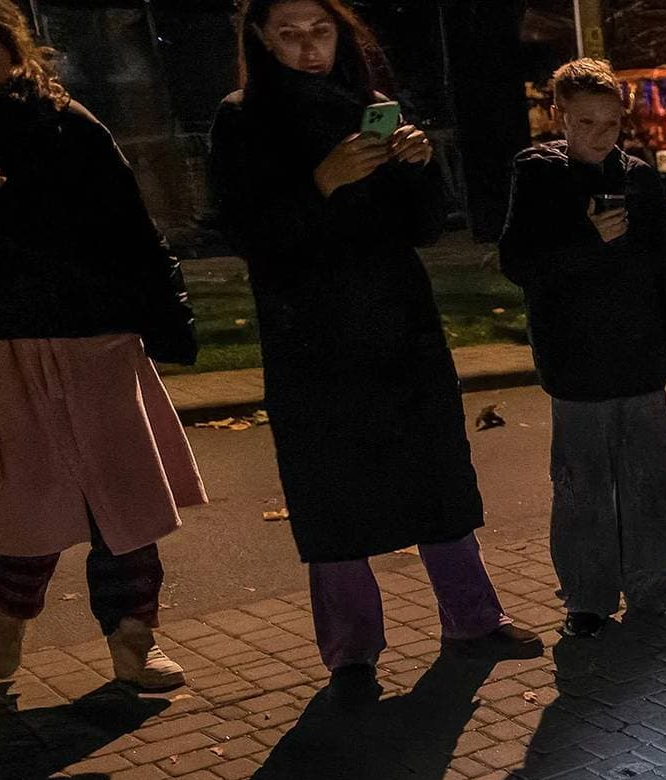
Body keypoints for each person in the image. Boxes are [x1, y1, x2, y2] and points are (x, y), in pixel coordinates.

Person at [208, 0, 539, 700]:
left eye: (320, 31)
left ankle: (473, 619)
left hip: (398, 322)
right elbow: (245, 232)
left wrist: (419, 168)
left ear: (341, 34)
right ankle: (352, 653)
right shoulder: (243, 119)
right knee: (333, 494)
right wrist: (321, 183)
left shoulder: (371, 106)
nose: (308, 48)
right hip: (312, 335)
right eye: (290, 35)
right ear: (262, 40)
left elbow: (423, 227)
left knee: (436, 475)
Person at [0, 0, 204, 690]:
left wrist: (167, 317)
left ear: (14, 44)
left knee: (120, 497)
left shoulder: (68, 121)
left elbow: (131, 230)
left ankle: (135, 637)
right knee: (24, 497)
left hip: (90, 333)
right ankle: (10, 609)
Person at [498, 57, 666, 639]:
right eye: (584, 123)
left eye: (610, 124)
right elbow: (519, 264)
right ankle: (588, 598)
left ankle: (652, 588)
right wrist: (585, 238)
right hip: (574, 365)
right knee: (582, 488)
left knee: (651, 482)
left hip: (640, 360)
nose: (599, 136)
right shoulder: (538, 175)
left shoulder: (639, 177)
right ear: (559, 117)